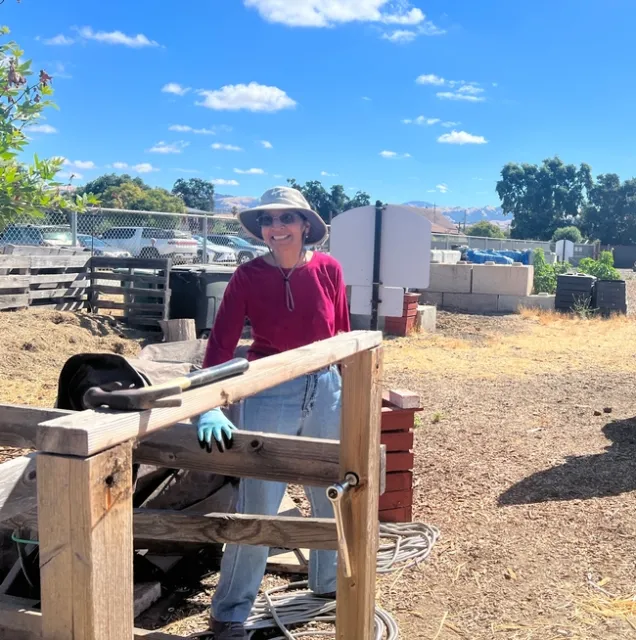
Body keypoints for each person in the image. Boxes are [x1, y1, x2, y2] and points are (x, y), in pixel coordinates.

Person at [195, 186, 350, 640]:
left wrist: (353, 390)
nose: (276, 228)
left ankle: (328, 587)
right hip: (269, 389)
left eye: (286, 219)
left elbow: (342, 332)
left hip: (326, 387)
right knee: (259, 500)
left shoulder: (329, 270)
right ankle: (231, 612)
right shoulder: (247, 276)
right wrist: (210, 403)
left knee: (330, 491)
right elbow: (221, 343)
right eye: (268, 220)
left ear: (305, 226)